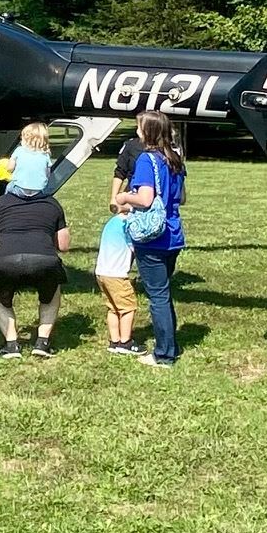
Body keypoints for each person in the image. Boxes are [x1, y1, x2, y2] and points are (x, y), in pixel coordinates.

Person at [118, 109, 186, 366]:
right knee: (163, 293)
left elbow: (145, 199)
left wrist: (124, 197)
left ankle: (164, 354)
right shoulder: (175, 159)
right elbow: (181, 197)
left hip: (152, 238)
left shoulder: (147, 160)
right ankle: (170, 345)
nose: (136, 131)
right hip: (173, 234)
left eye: (138, 127)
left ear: (147, 132)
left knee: (157, 296)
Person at [0, 183, 71, 358]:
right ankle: (42, 343)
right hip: (45, 261)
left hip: (7, 262)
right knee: (51, 294)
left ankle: (11, 344)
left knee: (0, 297)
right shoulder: (52, 204)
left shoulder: (0, 203)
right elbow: (64, 245)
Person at [94, 208, 138, 353]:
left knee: (113, 308)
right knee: (128, 308)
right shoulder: (128, 225)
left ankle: (114, 341)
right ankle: (125, 342)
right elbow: (136, 247)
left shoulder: (112, 222)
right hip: (117, 274)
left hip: (102, 272)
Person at [3, 122, 54, 197]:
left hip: (19, 188)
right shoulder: (45, 155)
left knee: (9, 187)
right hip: (38, 190)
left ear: (26, 139)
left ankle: (6, 200)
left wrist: (6, 167)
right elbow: (47, 174)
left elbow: (10, 168)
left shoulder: (19, 150)